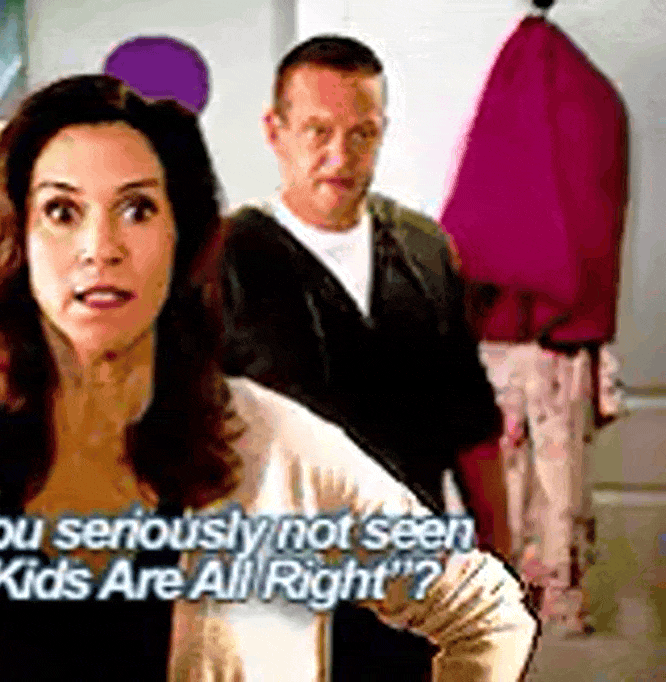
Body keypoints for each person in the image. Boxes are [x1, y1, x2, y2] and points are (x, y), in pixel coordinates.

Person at [0, 75, 536, 681]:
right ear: (17, 238)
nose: (100, 247)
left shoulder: (284, 455)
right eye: (62, 210)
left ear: (180, 238)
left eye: (137, 209)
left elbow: (486, 616)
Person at [219, 36, 512, 681]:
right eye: (318, 132)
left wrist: (500, 566)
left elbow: (471, 428)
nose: (340, 156)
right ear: (275, 131)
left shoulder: (424, 252)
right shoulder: (222, 262)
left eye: (363, 134)